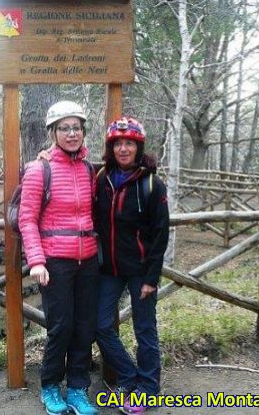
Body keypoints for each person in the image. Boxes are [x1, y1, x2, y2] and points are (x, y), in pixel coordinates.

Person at [18, 100, 99, 415]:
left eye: (76, 127)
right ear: (53, 132)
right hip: (55, 262)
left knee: (84, 327)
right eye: (64, 128)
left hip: (88, 261)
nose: (71, 133)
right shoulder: (40, 169)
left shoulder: (88, 168)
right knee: (60, 327)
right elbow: (27, 218)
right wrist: (36, 260)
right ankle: (51, 386)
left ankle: (78, 389)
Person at [94, 117, 169, 414]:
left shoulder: (152, 184)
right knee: (101, 325)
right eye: (118, 144)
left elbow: (161, 233)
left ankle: (149, 389)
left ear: (139, 147)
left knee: (145, 329)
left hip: (140, 271)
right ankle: (128, 376)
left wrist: (152, 277)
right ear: (111, 148)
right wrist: (46, 153)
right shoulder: (101, 177)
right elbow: (70, 168)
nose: (123, 149)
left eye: (129, 144)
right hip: (109, 270)